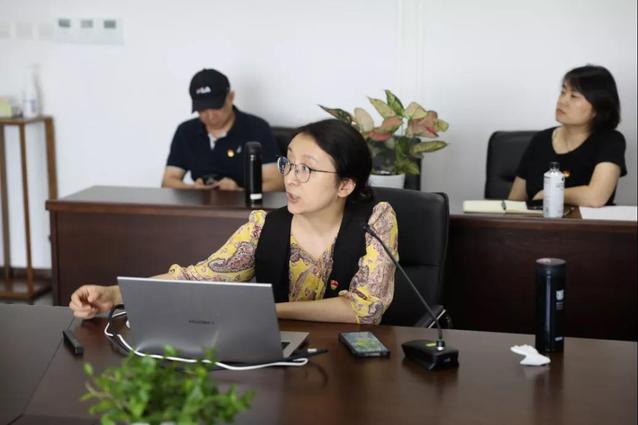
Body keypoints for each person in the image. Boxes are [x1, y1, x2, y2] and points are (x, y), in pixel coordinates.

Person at [71, 119, 398, 325]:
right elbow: (198, 278)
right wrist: (114, 294)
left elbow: (365, 309)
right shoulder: (263, 227)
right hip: (278, 355)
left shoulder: (376, 221)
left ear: (345, 185)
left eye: (306, 169)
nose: (290, 178)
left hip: (352, 363)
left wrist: (270, 311)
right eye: (288, 163)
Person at [508, 65, 626, 207]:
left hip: (586, 222)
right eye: (563, 92)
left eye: (574, 96)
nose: (562, 101)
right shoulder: (540, 140)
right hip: (538, 221)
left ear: (598, 108)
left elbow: (595, 197)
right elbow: (514, 201)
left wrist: (548, 194)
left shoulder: (610, 141)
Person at [161, 68, 284, 191]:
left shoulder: (257, 128)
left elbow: (277, 183)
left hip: (244, 201)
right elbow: (168, 181)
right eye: (202, 109)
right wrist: (194, 189)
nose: (210, 115)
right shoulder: (186, 132)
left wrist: (239, 192)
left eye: (216, 106)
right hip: (199, 201)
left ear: (230, 97)